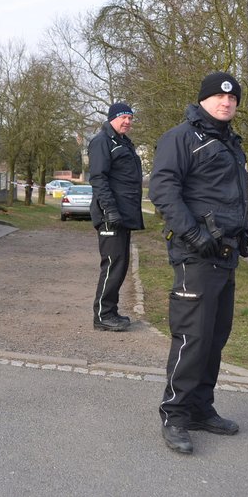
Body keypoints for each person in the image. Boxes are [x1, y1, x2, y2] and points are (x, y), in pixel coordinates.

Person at [148, 72, 248, 455]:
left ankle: (200, 409)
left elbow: (232, 197)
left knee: (215, 339)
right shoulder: (182, 138)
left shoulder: (231, 142)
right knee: (192, 339)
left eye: (233, 99)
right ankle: (175, 414)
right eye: (218, 97)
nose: (226, 103)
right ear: (203, 100)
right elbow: (163, 190)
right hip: (196, 255)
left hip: (225, 256)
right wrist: (194, 235)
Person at [88, 102, 145, 332]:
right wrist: (109, 210)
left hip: (124, 215)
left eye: (131, 118)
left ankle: (109, 311)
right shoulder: (102, 141)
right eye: (123, 118)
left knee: (120, 266)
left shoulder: (123, 143)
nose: (128, 122)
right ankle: (102, 315)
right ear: (112, 118)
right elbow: (98, 179)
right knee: (112, 264)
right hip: (111, 215)